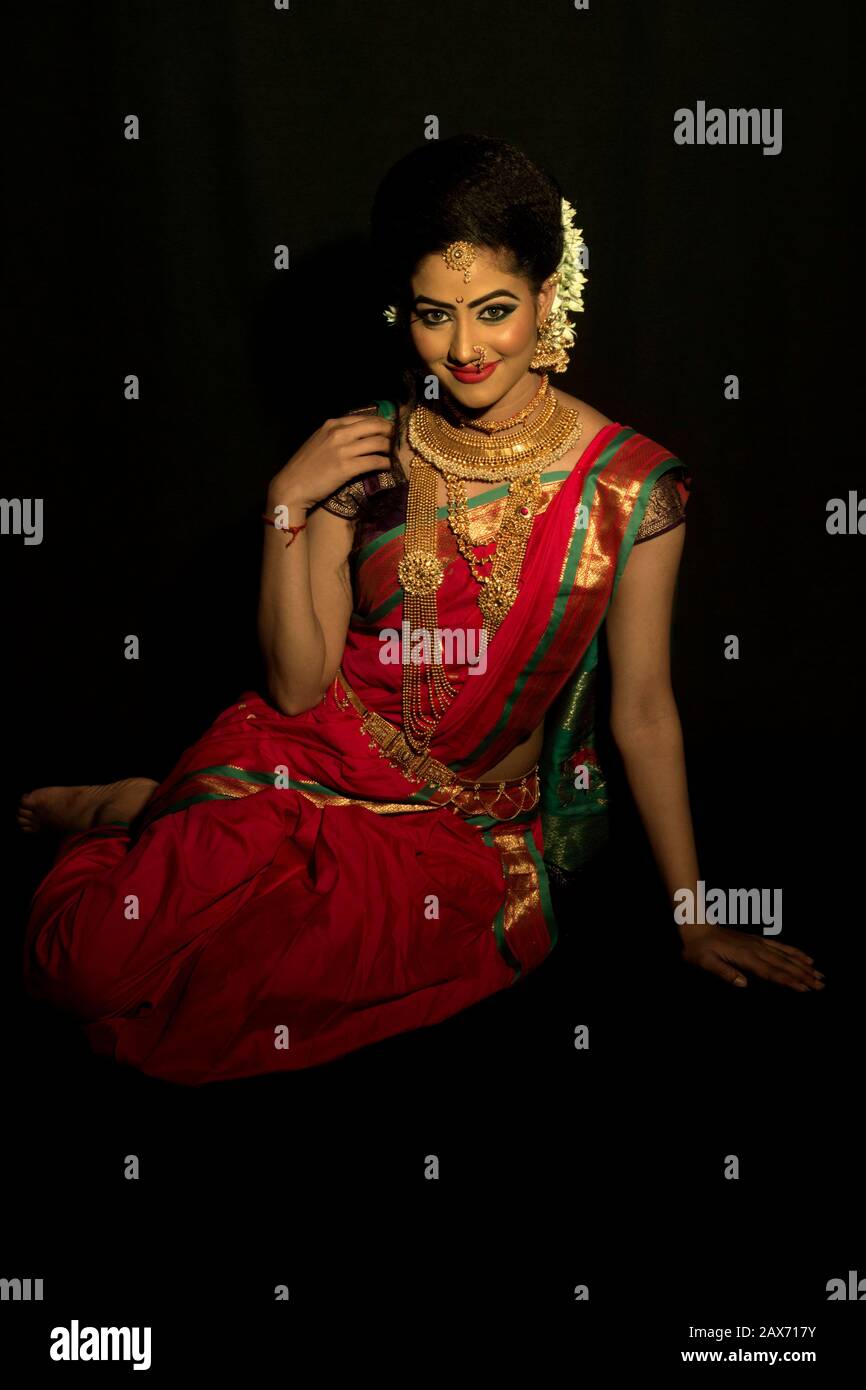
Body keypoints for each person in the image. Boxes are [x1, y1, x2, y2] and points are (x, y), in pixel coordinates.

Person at [17, 134, 823, 1085]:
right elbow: (296, 681)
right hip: (307, 753)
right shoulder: (367, 446)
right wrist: (287, 502)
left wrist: (693, 920)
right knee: (86, 970)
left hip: (457, 832)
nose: (466, 349)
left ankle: (153, 806)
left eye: (495, 312)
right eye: (435, 316)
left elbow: (643, 711)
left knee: (218, 1003)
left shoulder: (629, 492)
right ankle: (141, 811)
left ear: (547, 297)